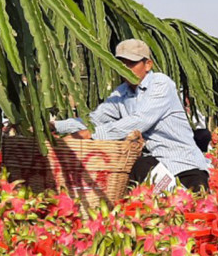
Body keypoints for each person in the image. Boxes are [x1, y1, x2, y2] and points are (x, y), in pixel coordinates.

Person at [53, 39, 209, 191]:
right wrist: (55, 126)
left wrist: (91, 134)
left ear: (148, 64)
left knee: (192, 207)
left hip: (182, 166)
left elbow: (139, 121)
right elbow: (95, 119)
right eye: (122, 63)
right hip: (149, 167)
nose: (126, 68)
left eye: (132, 63)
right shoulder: (121, 93)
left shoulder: (161, 83)